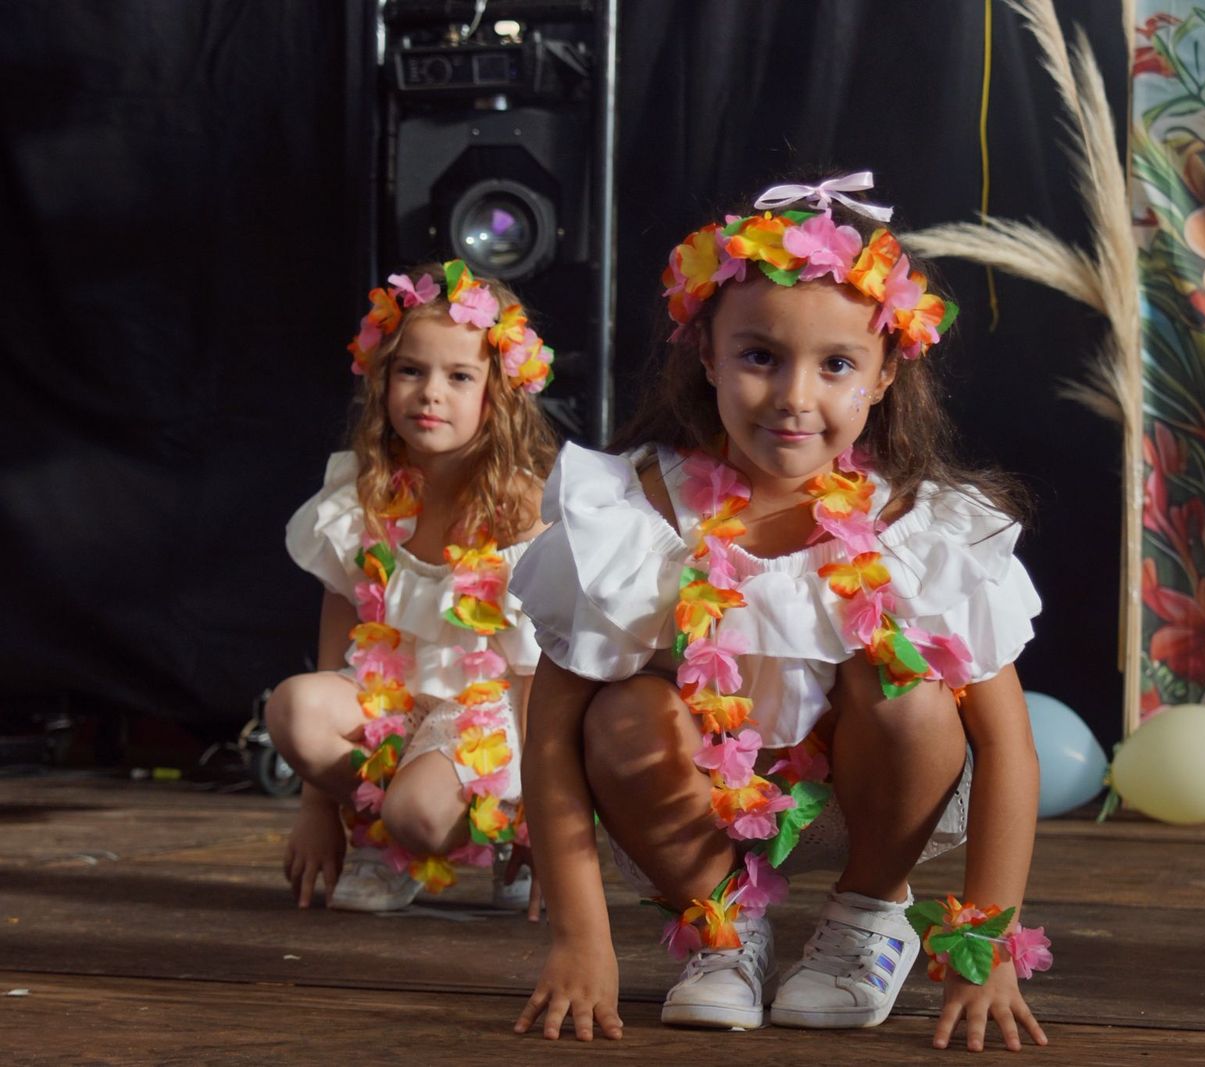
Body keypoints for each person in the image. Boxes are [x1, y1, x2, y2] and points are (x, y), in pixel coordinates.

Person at [509, 174, 1052, 1051]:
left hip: (871, 803)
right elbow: (550, 733)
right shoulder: (636, 514)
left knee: (909, 686)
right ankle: (724, 932)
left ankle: (867, 918)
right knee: (621, 710)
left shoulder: (920, 528)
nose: (797, 396)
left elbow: (1008, 747)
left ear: (881, 378)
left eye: (836, 364)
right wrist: (581, 938)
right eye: (760, 356)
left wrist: (986, 948)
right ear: (708, 357)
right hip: (688, 803)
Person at [267, 260, 559, 914]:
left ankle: (486, 826)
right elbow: (338, 640)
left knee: (419, 815)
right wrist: (318, 803)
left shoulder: (521, 511)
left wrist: (545, 818)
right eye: (411, 370)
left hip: (487, 715)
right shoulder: (361, 497)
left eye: (459, 376)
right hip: (392, 699)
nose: (431, 393)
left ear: (499, 394)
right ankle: (378, 831)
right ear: (382, 382)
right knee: (294, 708)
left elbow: (539, 676)